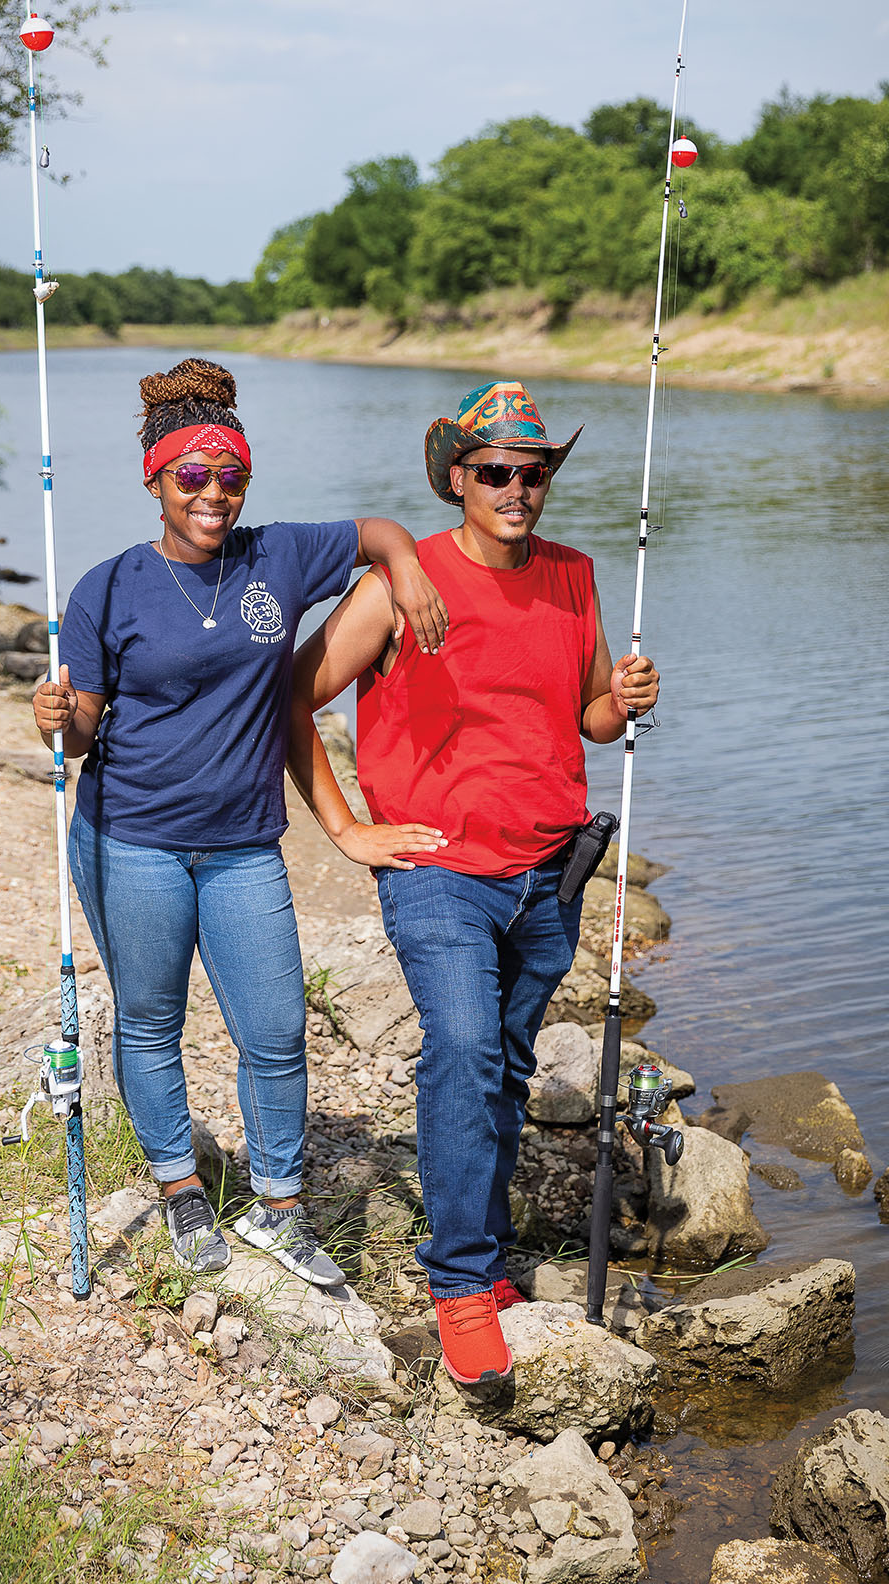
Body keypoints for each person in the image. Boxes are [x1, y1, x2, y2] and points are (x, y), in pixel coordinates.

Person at [32, 357, 447, 1287]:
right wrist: (56, 718)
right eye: (192, 477)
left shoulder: (279, 555)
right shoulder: (106, 588)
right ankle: (181, 1192)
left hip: (246, 846)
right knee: (149, 1024)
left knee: (276, 1027)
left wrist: (409, 564)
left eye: (231, 477)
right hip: (129, 840)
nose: (213, 494)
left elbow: (378, 529)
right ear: (156, 479)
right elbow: (88, 730)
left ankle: (279, 1211)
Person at [288, 380, 659, 1379]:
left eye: (532, 472)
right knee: (460, 1051)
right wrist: (346, 827)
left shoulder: (576, 577)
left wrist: (621, 703)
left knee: (501, 1065)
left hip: (550, 873)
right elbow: (291, 691)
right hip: (441, 872)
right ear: (458, 477)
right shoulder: (401, 583)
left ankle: (486, 1257)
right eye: (495, 470)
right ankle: (458, 1281)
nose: (516, 487)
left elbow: (584, 718)